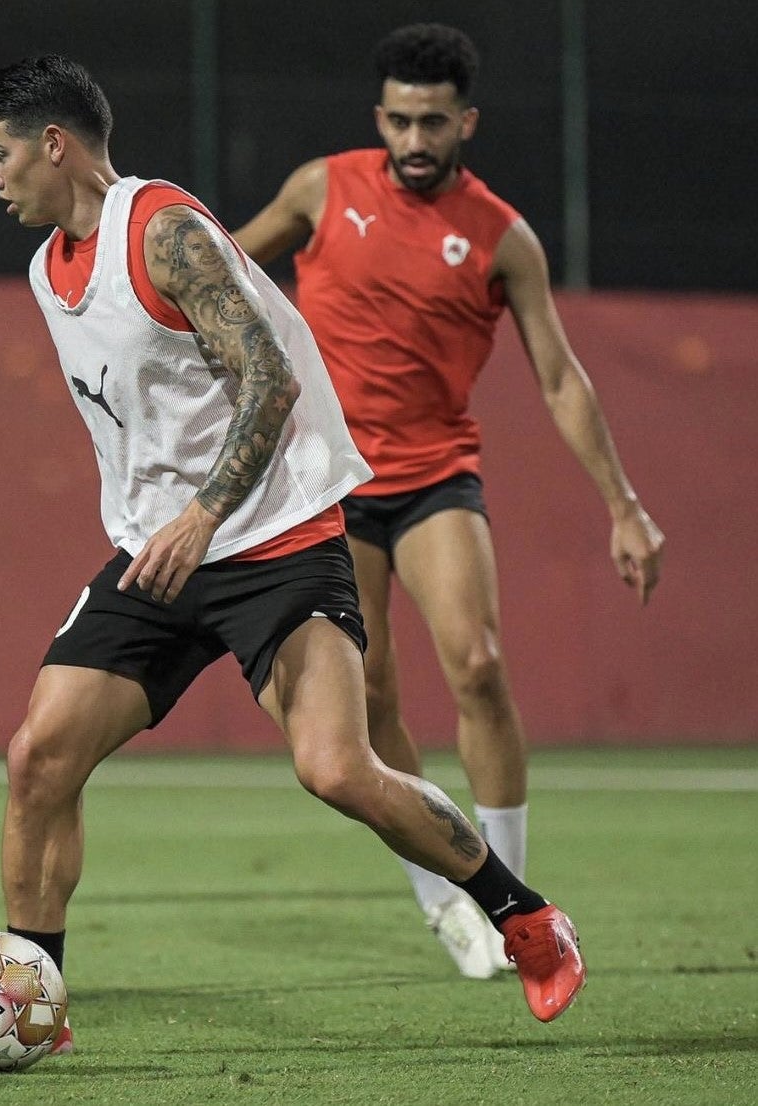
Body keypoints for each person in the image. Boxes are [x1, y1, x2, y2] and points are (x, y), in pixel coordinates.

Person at [0, 55, 584, 1061]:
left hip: (274, 542)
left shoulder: (164, 231)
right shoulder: (48, 268)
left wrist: (202, 516)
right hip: (156, 558)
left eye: (0, 153)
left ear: (54, 145)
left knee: (337, 769)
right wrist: (170, 525)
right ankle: (29, 1003)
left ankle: (525, 916)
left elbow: (269, 378)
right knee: (38, 758)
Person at [233, 23, 665, 980]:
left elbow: (560, 377)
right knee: (372, 693)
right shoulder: (321, 189)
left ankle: (514, 897)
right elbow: (219, 272)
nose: (414, 138)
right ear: (379, 116)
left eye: (433, 121)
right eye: (399, 120)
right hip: (331, 485)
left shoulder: (505, 237)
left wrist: (624, 505)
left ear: (466, 121)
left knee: (478, 663)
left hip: (435, 475)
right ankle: (446, 900)